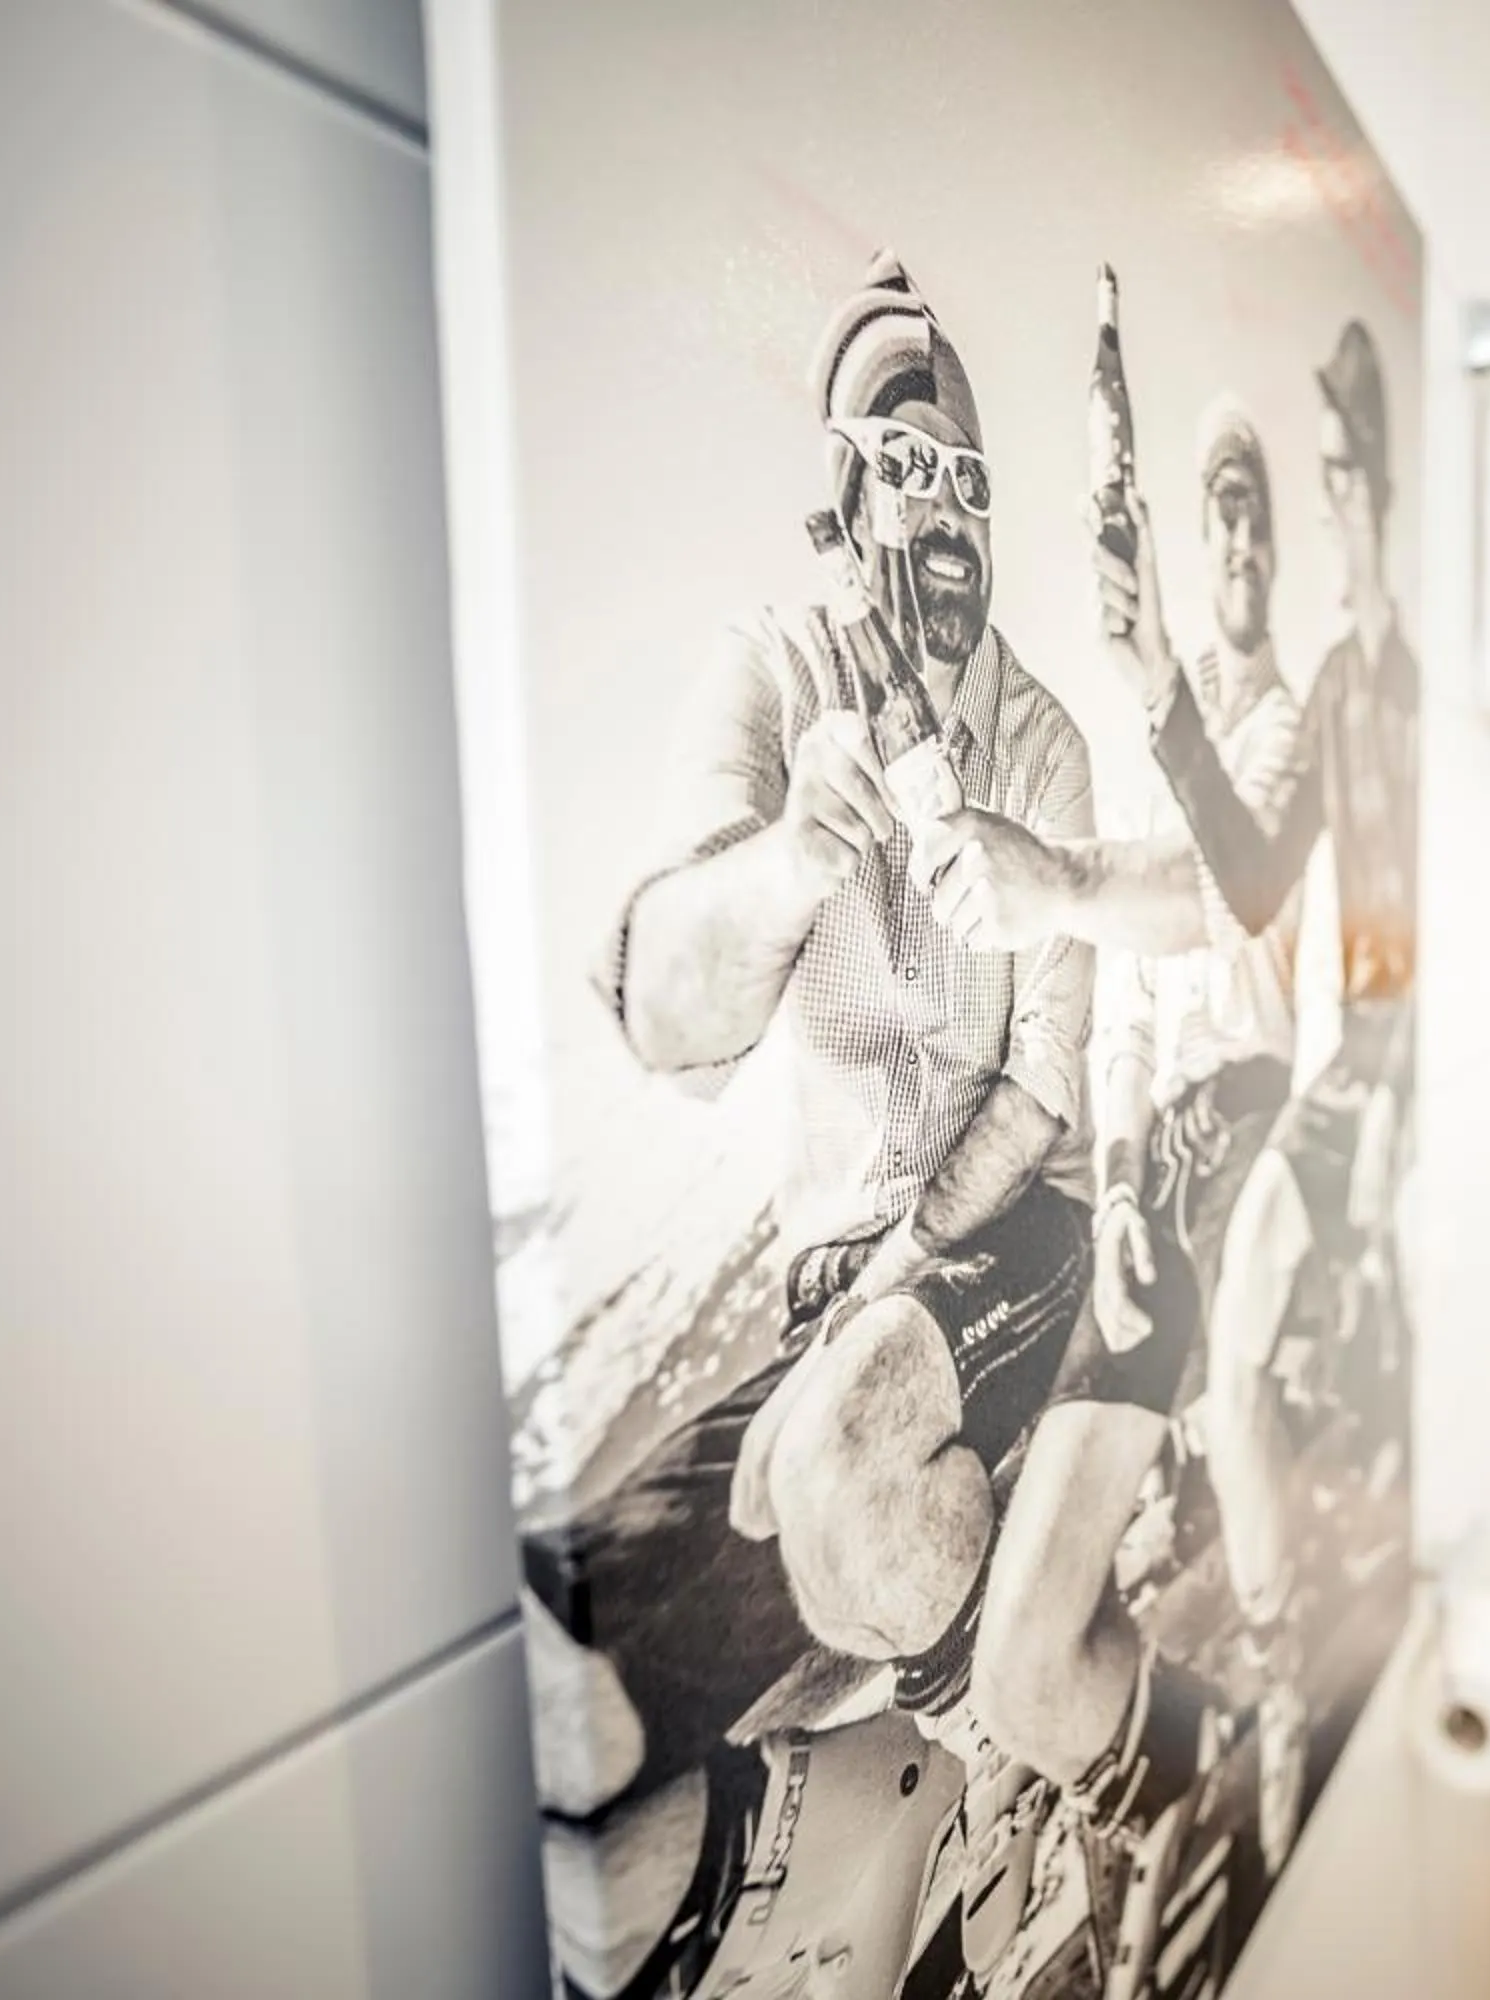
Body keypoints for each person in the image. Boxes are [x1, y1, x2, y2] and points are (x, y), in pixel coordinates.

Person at [522, 250, 1098, 2000]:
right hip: (830, 1271)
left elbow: (1049, 1083)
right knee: (578, 1683)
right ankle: (828, 1835)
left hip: (1005, 1225)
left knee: (842, 1446)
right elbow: (667, 1016)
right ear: (842, 515)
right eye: (901, 474)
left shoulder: (1044, 745)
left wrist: (910, 1262)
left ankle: (986, 1789)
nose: (944, 526)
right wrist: (795, 856)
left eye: (968, 486)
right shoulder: (780, 668)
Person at [965, 404, 1308, 1941]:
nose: (1240, 539)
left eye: (1260, 517)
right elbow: (1107, 1017)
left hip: (1242, 1143)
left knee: (1032, 1651)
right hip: (1153, 1177)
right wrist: (1107, 1190)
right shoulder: (1143, 742)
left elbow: (1227, 893)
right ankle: (1181, 1760)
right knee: (1020, 1654)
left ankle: (1207, 1752)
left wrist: (1066, 874)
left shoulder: (1282, 731)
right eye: (1220, 508)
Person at [1094, 322, 1418, 1631]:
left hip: (1391, 1071)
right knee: (1230, 1352)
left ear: (1375, 496)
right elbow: (1254, 878)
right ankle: (1278, 1642)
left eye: (1343, 480)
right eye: (1319, 477)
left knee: (1316, 1320)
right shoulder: (1344, 686)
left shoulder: (1390, 694)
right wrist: (1157, 677)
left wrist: (1400, 1093)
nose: (1332, 513)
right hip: (1356, 1068)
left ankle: (1314, 1594)